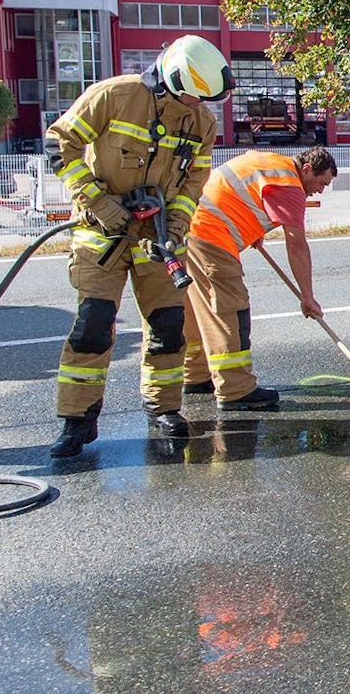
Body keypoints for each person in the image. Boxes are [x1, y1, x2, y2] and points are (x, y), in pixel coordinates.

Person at [45, 35, 226, 458]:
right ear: (170, 79)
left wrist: (177, 225)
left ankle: (163, 408)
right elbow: (60, 144)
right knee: (93, 325)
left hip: (158, 239)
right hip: (101, 236)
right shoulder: (114, 96)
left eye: (203, 100)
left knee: (167, 327)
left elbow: (194, 182)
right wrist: (100, 203)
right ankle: (77, 421)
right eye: (191, 98)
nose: (196, 106)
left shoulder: (202, 123)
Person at [180, 146, 338, 411]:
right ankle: (236, 389)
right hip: (212, 235)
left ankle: (196, 376)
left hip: (188, 227)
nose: (321, 190)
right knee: (230, 309)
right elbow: (296, 244)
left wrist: (250, 225)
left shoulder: (271, 162)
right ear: (308, 169)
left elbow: (240, 191)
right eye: (321, 183)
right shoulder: (290, 186)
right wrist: (307, 296)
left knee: (198, 310)